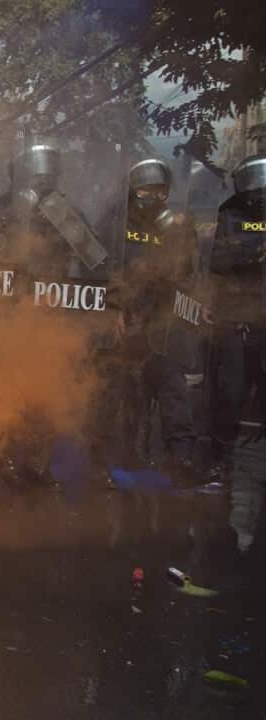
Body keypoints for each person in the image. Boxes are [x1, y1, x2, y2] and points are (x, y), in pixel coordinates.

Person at [115, 157, 199, 477]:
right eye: (145, 190)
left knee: (171, 388)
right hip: (131, 315)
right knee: (131, 391)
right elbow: (106, 269)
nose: (152, 197)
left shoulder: (176, 224)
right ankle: (130, 454)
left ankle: (180, 456)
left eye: (159, 191)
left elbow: (187, 270)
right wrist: (114, 311)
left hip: (165, 319)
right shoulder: (118, 221)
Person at [207, 153, 266, 481]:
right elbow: (219, 258)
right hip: (238, 320)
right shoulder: (230, 212)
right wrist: (253, 254)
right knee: (229, 393)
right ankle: (221, 459)